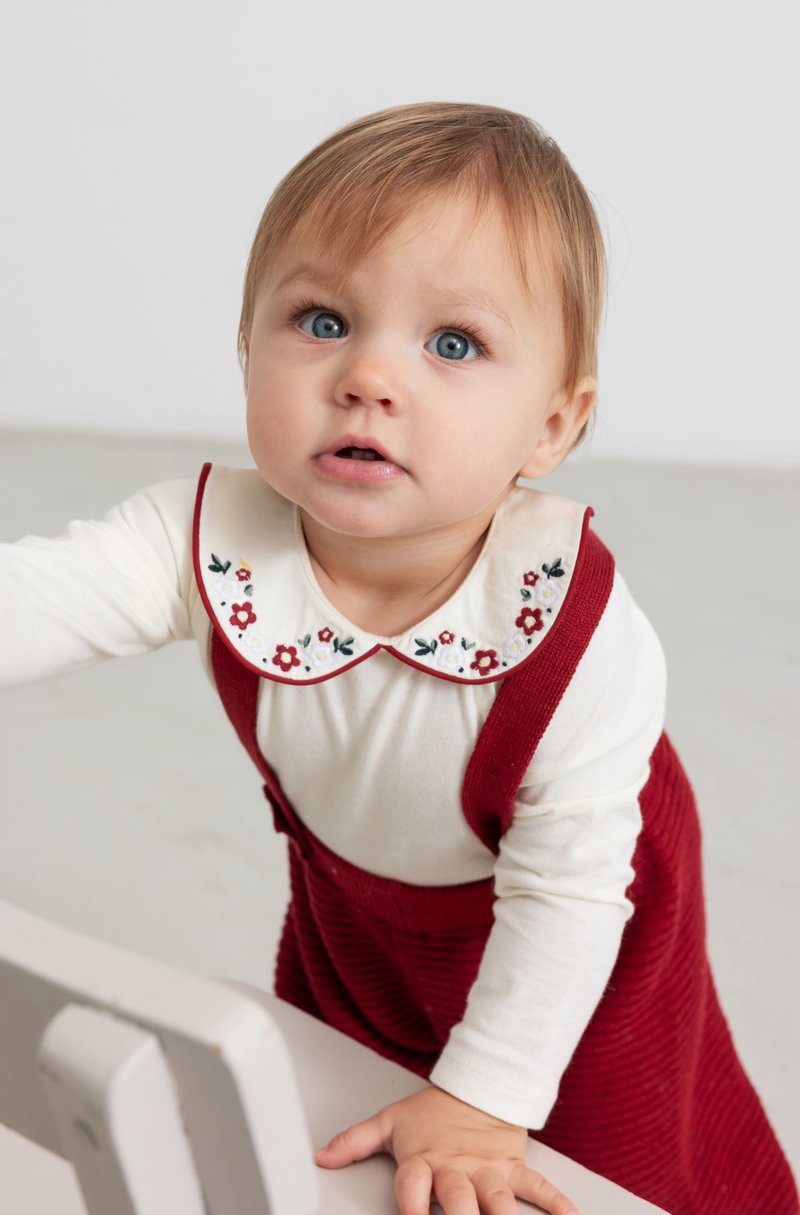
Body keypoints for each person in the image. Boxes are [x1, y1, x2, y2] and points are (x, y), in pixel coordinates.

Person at [1, 102, 796, 1215]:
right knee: (343, 1124)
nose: (370, 374)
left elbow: (568, 897)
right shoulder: (204, 541)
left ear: (551, 429)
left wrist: (485, 1097)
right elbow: (43, 594)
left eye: (451, 344)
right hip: (359, 907)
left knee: (581, 1154)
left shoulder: (572, 636)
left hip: (576, 904)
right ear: (245, 351)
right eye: (321, 321)